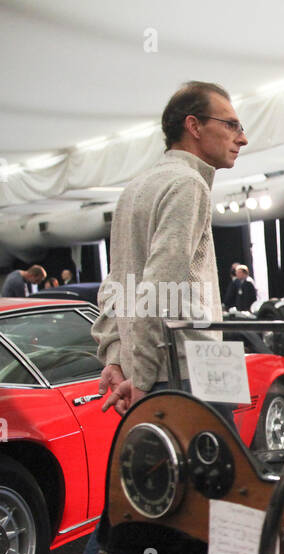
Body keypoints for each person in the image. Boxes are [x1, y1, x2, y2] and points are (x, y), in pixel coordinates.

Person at [91, 79, 246, 416]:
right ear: (194, 126)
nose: (242, 138)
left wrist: (117, 359)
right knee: (226, 452)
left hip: (171, 366)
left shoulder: (133, 188)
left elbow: (114, 287)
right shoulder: (189, 184)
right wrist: (143, 381)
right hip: (193, 365)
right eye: (231, 125)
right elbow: (160, 289)